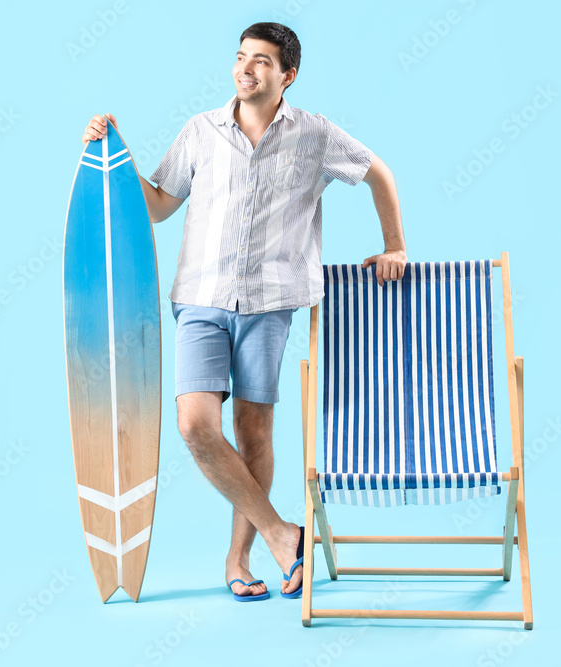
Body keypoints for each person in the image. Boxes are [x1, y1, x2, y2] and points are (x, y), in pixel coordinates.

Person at [82, 22, 406, 601]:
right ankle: (285, 535)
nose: (245, 68)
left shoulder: (315, 134)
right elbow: (157, 206)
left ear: (288, 75)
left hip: (270, 304)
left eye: (260, 61)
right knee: (195, 426)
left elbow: (378, 172)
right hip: (202, 300)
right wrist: (114, 154)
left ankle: (239, 556)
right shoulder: (201, 131)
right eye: (240, 57)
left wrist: (395, 245)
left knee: (253, 430)